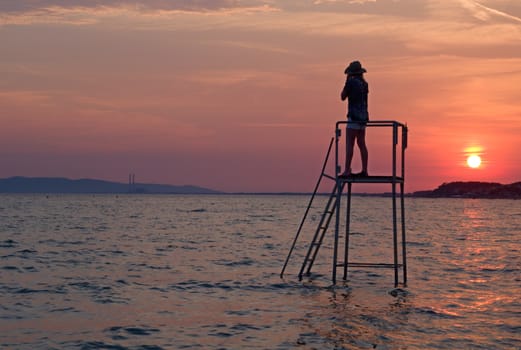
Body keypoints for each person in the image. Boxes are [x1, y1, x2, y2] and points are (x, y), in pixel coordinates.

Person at [341, 60, 369, 177]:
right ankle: (364, 170)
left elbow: (342, 96)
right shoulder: (364, 84)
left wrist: (346, 82)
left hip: (353, 117)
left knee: (350, 144)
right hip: (363, 117)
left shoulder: (351, 82)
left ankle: (347, 170)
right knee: (362, 143)